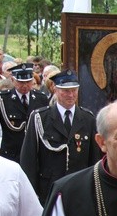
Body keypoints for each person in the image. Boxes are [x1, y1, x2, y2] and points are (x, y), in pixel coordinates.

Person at [20, 69, 102, 203]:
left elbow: (94, 159)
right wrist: (30, 194)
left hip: (79, 189)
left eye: (74, 90)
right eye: (65, 91)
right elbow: (29, 158)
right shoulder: (41, 118)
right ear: (56, 90)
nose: (70, 95)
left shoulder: (88, 118)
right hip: (49, 189)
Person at [0, 63, 49, 163]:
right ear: (13, 80)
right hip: (11, 156)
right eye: (21, 82)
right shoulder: (3, 99)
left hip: (36, 156)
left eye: (28, 81)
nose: (25, 85)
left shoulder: (41, 98)